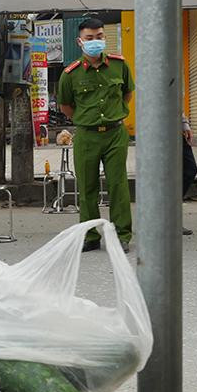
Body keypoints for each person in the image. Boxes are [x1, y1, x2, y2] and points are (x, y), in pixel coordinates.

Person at [58, 18, 135, 252]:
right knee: (87, 187)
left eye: (99, 36)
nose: (95, 41)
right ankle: (90, 236)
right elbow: (66, 106)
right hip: (87, 136)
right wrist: (87, 121)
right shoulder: (70, 74)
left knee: (118, 185)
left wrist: (113, 115)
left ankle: (122, 235)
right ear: (80, 42)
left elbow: (127, 94)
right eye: (90, 38)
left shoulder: (118, 65)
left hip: (114, 134)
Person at [182, 114, 197, 236]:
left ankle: (171, 216)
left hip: (177, 130)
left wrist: (184, 124)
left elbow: (177, 105)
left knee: (190, 170)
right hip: (159, 131)